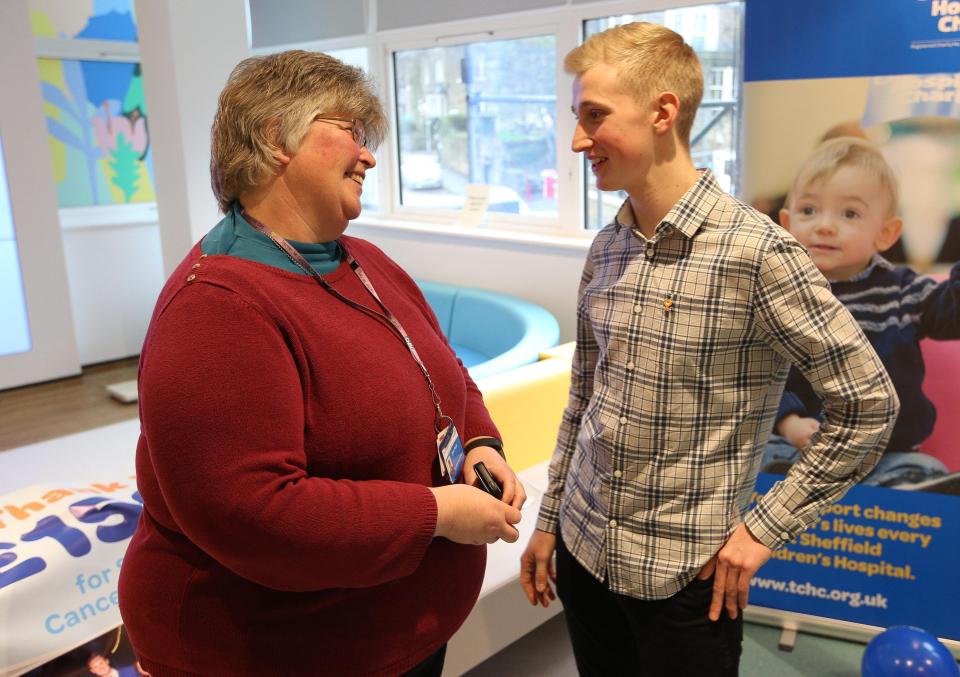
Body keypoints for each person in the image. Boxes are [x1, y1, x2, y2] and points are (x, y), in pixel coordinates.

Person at [118, 50, 525, 677]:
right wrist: (438, 514)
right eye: (351, 133)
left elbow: (447, 375)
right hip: (270, 653)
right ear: (276, 136)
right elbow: (257, 513)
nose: (368, 156)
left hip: (397, 638)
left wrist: (479, 442)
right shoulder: (217, 306)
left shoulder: (364, 261)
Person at [518, 22, 898, 676]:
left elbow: (869, 405)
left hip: (683, 582)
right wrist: (550, 517)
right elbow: (584, 393)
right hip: (585, 552)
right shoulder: (607, 246)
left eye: (594, 116)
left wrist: (764, 529)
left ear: (663, 112)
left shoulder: (759, 253)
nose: (579, 140)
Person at [762, 137, 960, 486]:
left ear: (885, 234)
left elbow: (951, 314)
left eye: (849, 214)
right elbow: (757, 371)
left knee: (925, 471)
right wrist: (788, 421)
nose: (824, 225)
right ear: (787, 222)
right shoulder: (778, 293)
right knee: (760, 457)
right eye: (809, 211)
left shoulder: (902, 291)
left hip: (884, 455)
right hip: (798, 447)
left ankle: (909, 485)